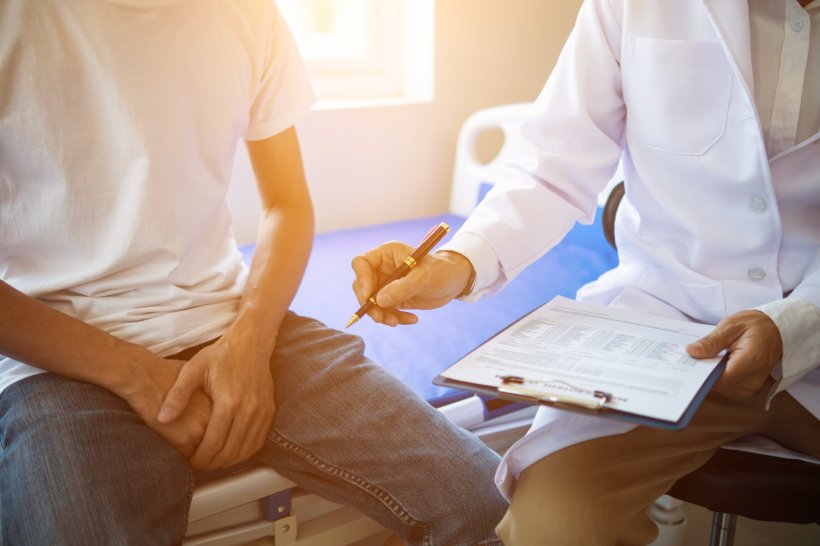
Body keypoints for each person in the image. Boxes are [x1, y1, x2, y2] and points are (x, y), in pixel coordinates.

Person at [0, 2, 509, 545]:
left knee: (488, 506)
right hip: (59, 364)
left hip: (237, 326)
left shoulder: (246, 15)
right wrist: (137, 375)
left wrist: (248, 344)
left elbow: (286, 203)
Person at [352, 0, 820, 544]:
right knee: (555, 524)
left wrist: (797, 321)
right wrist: (459, 263)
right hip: (667, 334)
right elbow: (553, 165)